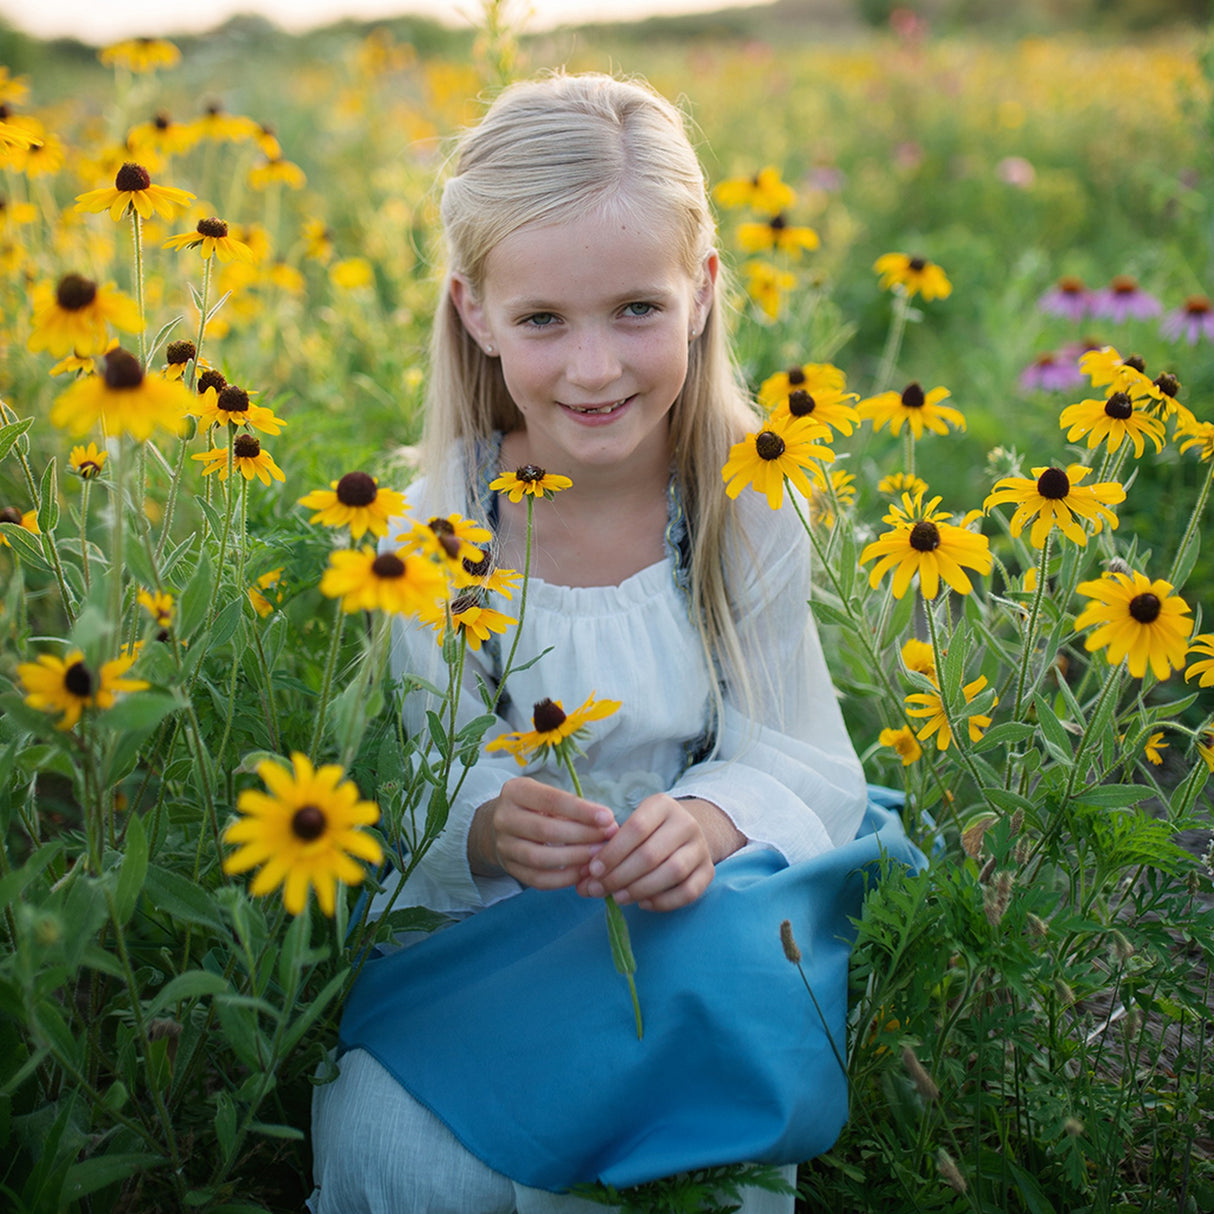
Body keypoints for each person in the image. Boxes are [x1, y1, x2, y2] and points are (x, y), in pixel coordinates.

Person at [308, 71, 916, 1214]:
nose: (593, 370)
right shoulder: (437, 530)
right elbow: (403, 782)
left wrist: (702, 820)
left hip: (696, 921)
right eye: (542, 319)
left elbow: (799, 751)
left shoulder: (743, 499)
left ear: (699, 290)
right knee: (394, 1156)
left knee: (714, 1171)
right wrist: (489, 825)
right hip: (491, 945)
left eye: (634, 308)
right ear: (474, 313)